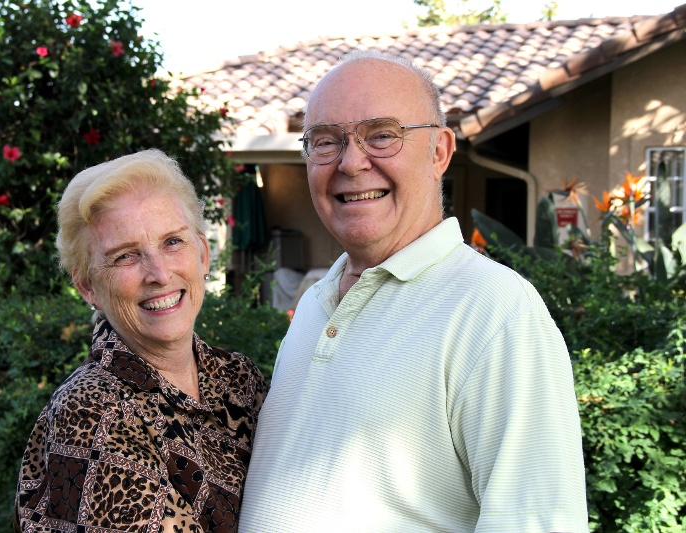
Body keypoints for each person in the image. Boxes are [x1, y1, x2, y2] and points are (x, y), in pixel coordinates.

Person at [238, 50, 588, 532]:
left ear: (440, 151)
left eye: (382, 136)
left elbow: (535, 522)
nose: (351, 162)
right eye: (325, 142)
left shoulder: (495, 312)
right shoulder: (319, 302)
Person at [14, 149, 268, 532]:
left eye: (172, 243)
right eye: (126, 256)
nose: (159, 274)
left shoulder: (239, 377)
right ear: (87, 286)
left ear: (202, 254)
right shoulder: (93, 413)